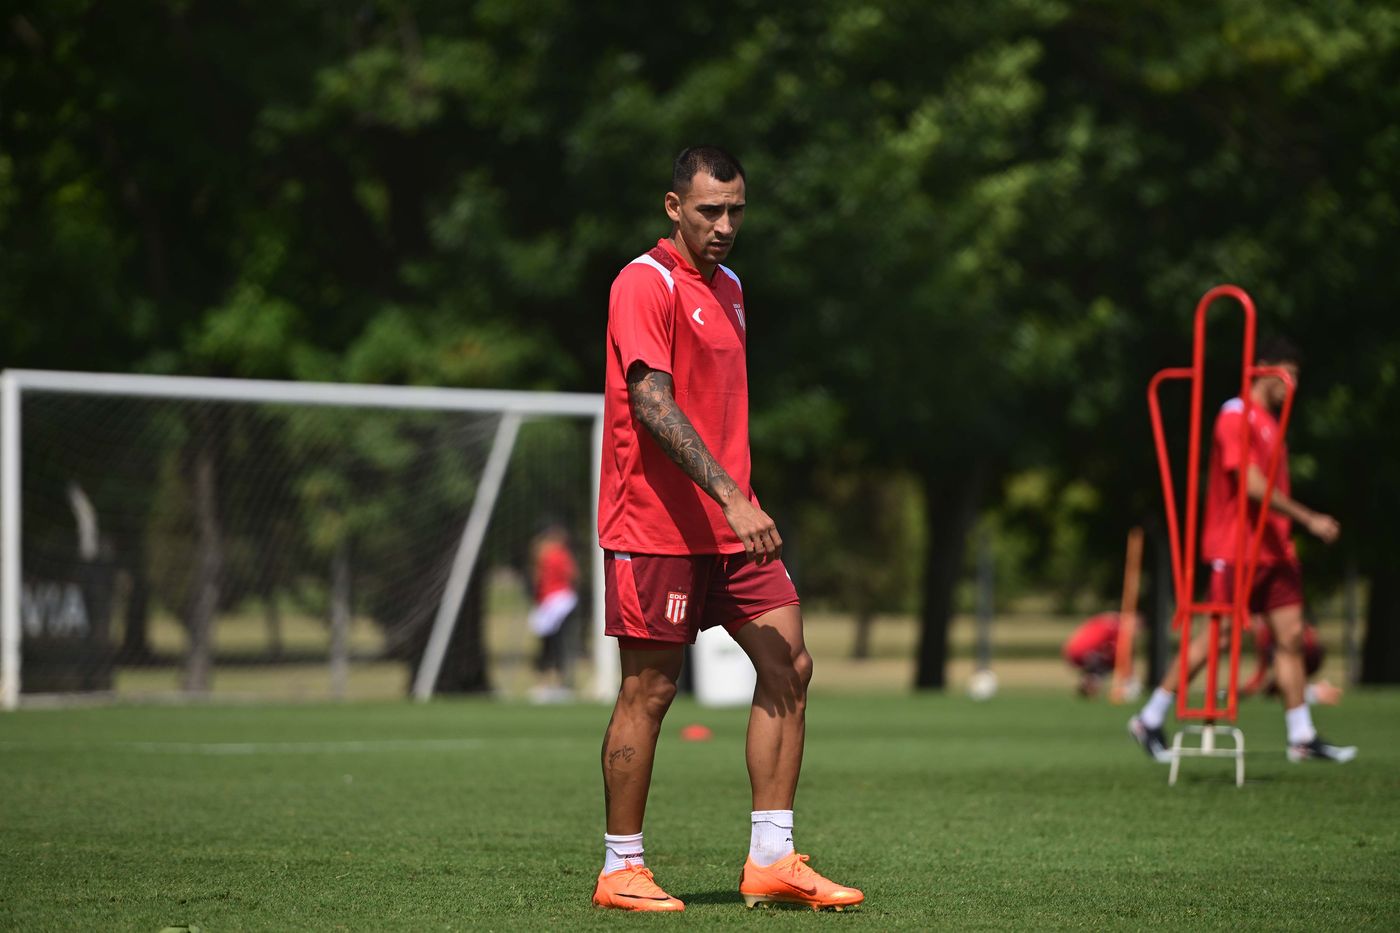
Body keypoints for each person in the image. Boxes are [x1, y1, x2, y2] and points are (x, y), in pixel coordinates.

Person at [590, 146, 863, 913]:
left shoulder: (733, 287)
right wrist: (731, 496)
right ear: (673, 206)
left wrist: (738, 504)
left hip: (732, 527)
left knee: (790, 664)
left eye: (736, 209)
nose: (725, 224)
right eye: (710, 210)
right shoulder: (642, 282)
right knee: (650, 689)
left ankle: (772, 858)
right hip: (655, 526)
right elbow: (652, 403)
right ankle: (621, 867)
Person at [1129, 338, 1356, 763]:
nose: (1292, 385)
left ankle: (1301, 735)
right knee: (1219, 635)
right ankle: (1150, 716)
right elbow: (1250, 485)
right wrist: (1309, 518)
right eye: (1287, 375)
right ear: (1263, 368)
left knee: (1291, 637)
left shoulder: (1271, 422)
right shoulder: (1235, 415)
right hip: (1236, 547)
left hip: (1275, 549)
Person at [526, 524, 578, 702]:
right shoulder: (561, 554)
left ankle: (548, 683)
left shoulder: (545, 554)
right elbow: (573, 575)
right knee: (556, 643)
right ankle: (556, 682)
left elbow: (537, 578)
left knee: (549, 644)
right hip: (559, 601)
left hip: (554, 601)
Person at [1063, 611, 1123, 697]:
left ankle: (1091, 680)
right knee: (1106, 666)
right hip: (1084, 654)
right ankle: (1091, 681)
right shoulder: (1109, 625)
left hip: (1077, 654)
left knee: (1105, 666)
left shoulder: (1103, 623)